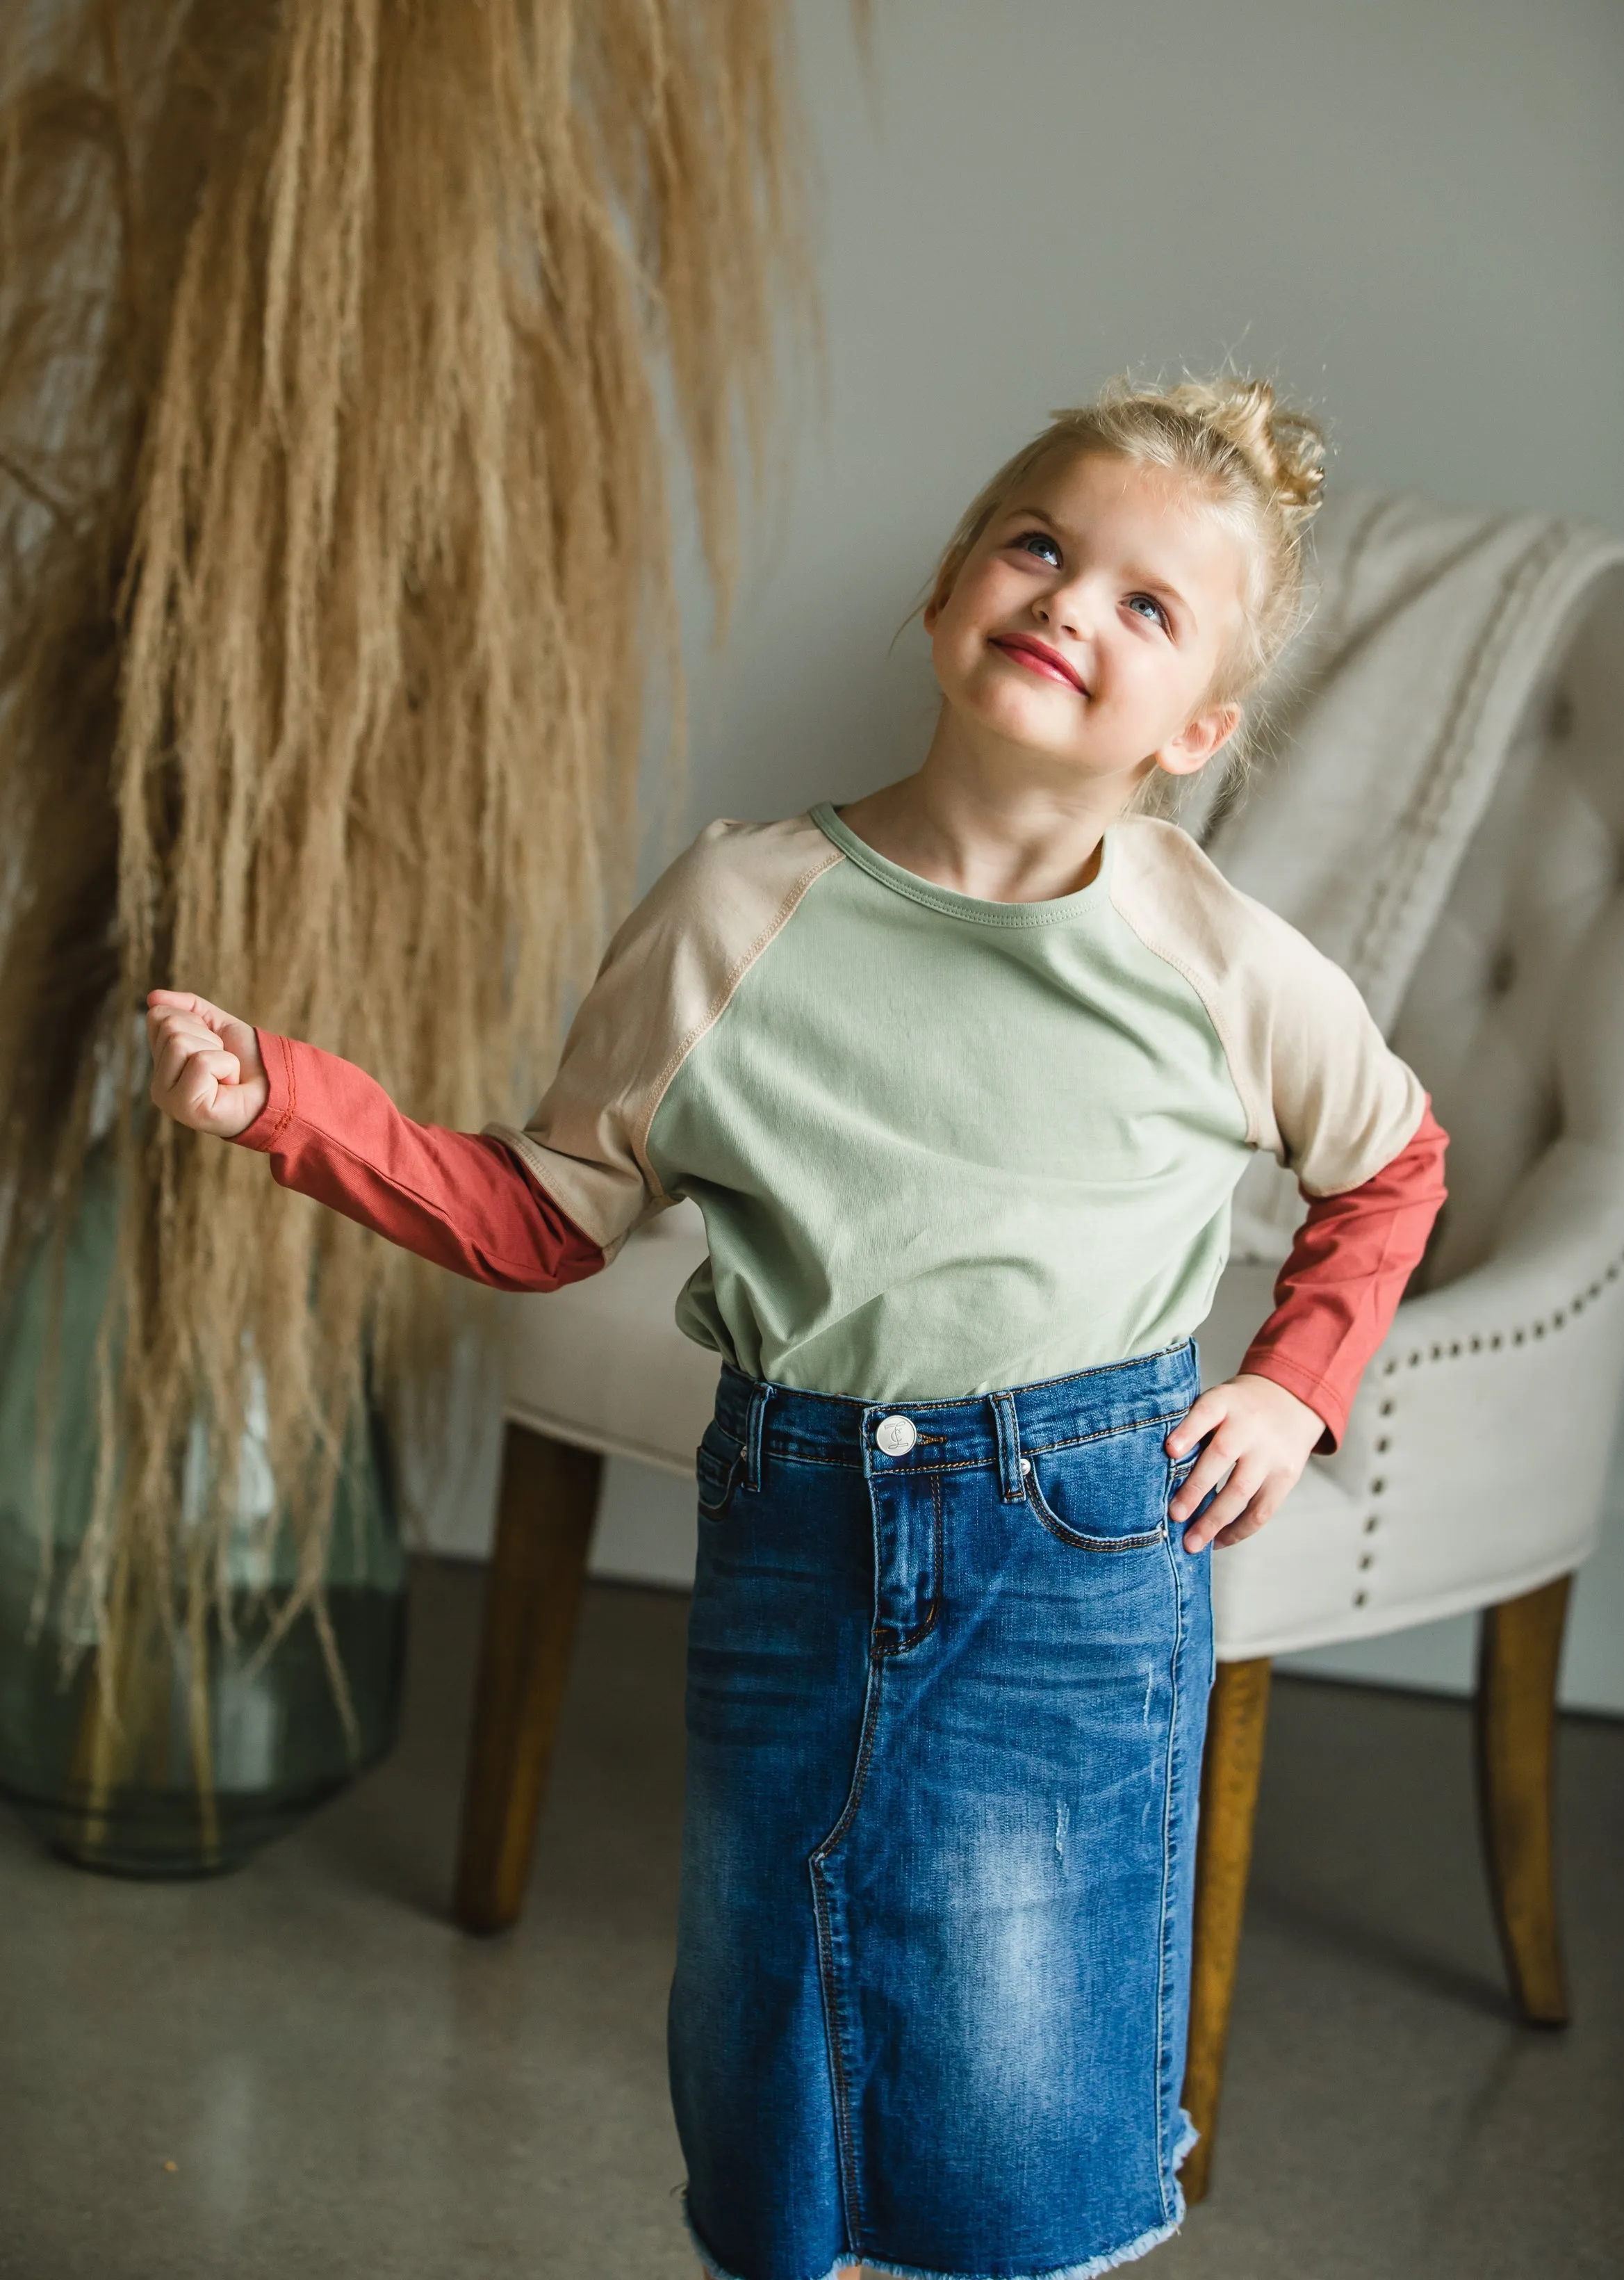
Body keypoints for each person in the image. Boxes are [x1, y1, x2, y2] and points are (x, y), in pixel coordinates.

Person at [147, 374, 1450, 2280]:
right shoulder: (732, 913)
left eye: (1146, 606)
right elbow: (539, 1215)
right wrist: (292, 1104)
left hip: (1079, 1552)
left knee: (1022, 2052)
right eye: (1038, 547)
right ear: (943, 596)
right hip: (796, 1525)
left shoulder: (1221, 965)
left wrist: (1291, 1382)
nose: (1072, 604)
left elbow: (1393, 1163)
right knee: (771, 2007)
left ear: (1200, 731)